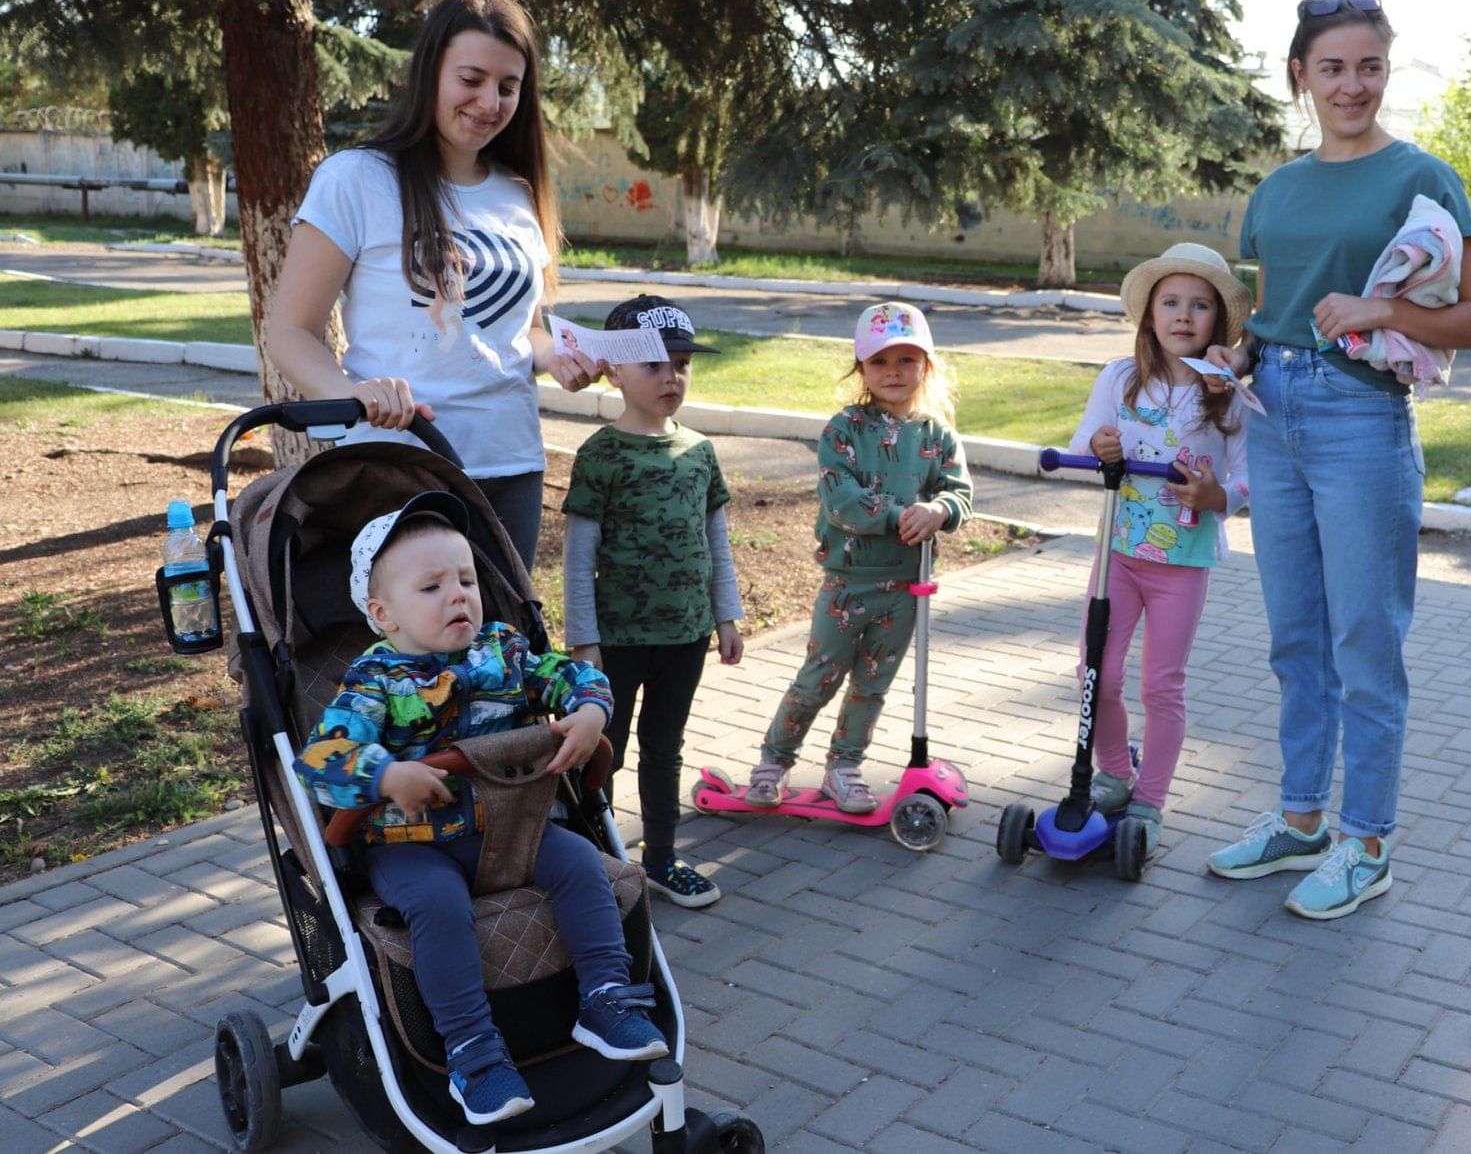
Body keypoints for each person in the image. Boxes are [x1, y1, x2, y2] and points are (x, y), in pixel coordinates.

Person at [1200, 0, 1471, 920]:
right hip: (1275, 412)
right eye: (1332, 67)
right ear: (1300, 75)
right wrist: (1235, 358)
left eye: (1369, 65)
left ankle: (1366, 841)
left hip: (1362, 417)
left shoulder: (1425, 180)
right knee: (1296, 639)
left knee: (1365, 640)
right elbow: (1269, 311)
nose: (1352, 84)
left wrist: (1386, 311)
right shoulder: (1277, 190)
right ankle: (1299, 820)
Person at [293, 493, 665, 1126]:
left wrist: (590, 712)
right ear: (383, 614)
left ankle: (605, 1000)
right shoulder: (375, 680)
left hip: (516, 826)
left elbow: (569, 674)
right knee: (437, 905)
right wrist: (385, 773)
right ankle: (473, 1052)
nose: (458, 595)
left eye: (466, 579)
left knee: (582, 862)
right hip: (414, 845)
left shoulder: (504, 650)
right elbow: (322, 757)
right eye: (432, 586)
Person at [266, 0, 600, 569]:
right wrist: (355, 395)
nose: (489, 102)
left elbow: (522, 333)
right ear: (430, 75)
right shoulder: (356, 179)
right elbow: (289, 333)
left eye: (508, 87)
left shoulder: (519, 192)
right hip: (399, 468)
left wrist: (560, 358)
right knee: (411, 654)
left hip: (512, 466)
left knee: (499, 650)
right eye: (470, 79)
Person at [744, 303, 973, 813]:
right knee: (818, 676)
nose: (893, 371)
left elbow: (960, 495)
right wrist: (897, 516)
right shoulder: (844, 429)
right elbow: (840, 499)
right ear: (861, 368)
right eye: (880, 361)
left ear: (926, 366)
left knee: (873, 684)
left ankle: (843, 766)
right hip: (848, 581)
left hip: (907, 586)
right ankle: (774, 760)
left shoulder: (936, 435)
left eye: (907, 360)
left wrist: (938, 510)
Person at [1066, 242, 1251, 854]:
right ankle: (1116, 773)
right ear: (1149, 314)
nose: (1183, 316)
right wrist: (1102, 445)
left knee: (1161, 687)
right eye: (1170, 302)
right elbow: (1087, 441)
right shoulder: (1121, 377)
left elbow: (1249, 480)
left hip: (1183, 563)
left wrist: (1216, 495)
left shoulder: (1225, 392)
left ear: (1218, 322)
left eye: (1199, 306)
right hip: (1117, 552)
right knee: (1100, 673)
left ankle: (1150, 798)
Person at [562, 296, 744, 910]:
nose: (672, 377)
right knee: (604, 751)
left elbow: (715, 541)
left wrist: (727, 615)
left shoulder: (699, 452)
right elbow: (577, 556)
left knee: (665, 750)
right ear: (614, 371)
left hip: (685, 637)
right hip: (615, 640)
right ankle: (602, 863)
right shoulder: (600, 456)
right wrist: (583, 642)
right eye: (655, 366)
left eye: (683, 364)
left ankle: (661, 859)